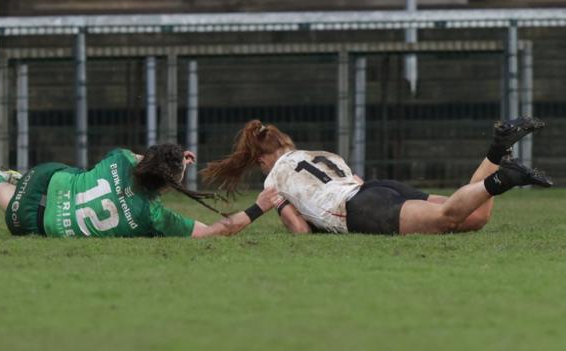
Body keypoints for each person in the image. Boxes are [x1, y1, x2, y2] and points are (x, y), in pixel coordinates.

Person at [201, 118, 552, 235]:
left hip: (363, 207)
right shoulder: (321, 153)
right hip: (378, 188)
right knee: (474, 216)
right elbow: (353, 177)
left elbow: (301, 230)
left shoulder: (274, 177)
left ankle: (506, 177)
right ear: (287, 143)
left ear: (263, 159)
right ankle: (497, 152)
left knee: (452, 217)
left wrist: (286, 211)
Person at [0, 144, 279, 238]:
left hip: (46, 177)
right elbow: (220, 229)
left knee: (75, 176)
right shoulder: (152, 215)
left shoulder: (121, 159)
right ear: (169, 184)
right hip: (37, 221)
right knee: (12, 207)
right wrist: (260, 206)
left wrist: (176, 161)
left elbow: (145, 161)